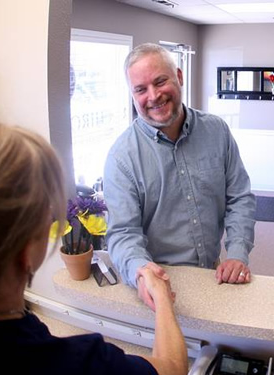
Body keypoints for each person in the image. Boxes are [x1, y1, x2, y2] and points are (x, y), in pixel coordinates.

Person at [0, 116, 188, 375]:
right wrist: (161, 297)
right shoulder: (76, 364)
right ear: (26, 251)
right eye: (47, 217)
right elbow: (173, 369)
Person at [104, 43, 256, 308]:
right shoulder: (121, 158)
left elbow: (239, 197)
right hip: (160, 285)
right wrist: (142, 272)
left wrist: (237, 253)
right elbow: (123, 233)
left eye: (160, 81)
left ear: (179, 76)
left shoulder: (217, 131)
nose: (153, 96)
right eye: (140, 89)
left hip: (215, 274)